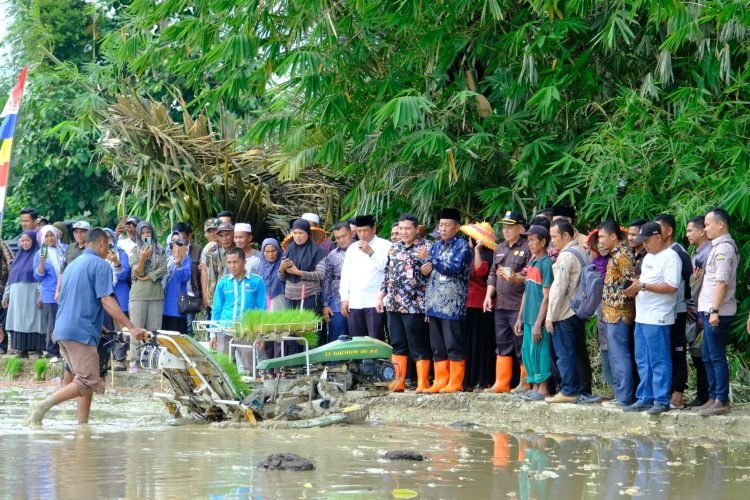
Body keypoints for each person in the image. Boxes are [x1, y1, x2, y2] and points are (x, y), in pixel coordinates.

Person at [25, 228, 148, 428]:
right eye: (107, 246)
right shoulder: (101, 265)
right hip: (79, 332)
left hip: (64, 330)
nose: (107, 250)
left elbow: (72, 298)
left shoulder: (73, 265)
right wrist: (131, 328)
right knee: (89, 381)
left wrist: (98, 326)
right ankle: (42, 406)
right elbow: (106, 300)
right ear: (101, 244)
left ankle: (83, 426)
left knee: (84, 380)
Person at [622, 222, 680, 415]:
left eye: (646, 241)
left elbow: (672, 286)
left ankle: (661, 399)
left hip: (658, 317)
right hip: (642, 316)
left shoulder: (671, 257)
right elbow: (642, 284)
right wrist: (634, 289)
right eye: (642, 241)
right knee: (643, 359)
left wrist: (643, 286)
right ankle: (645, 397)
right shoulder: (647, 258)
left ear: (658, 237)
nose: (644, 245)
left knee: (659, 359)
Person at [376, 213, 431, 392]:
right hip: (393, 304)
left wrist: (425, 263)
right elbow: (387, 274)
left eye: (407, 228)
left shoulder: (426, 247)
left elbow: (432, 277)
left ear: (416, 229)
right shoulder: (394, 248)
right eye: (401, 228)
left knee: (417, 344)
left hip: (415, 305)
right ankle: (398, 381)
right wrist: (380, 296)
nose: (404, 232)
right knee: (397, 343)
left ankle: (423, 382)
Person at [421, 208, 472, 393]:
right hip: (434, 303)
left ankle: (456, 382)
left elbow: (454, 268)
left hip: (453, 304)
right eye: (440, 225)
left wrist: (432, 261)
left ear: (457, 227)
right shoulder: (435, 246)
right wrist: (424, 270)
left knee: (453, 344)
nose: (442, 229)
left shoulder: (463, 246)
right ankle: (440, 381)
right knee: (437, 346)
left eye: (446, 225)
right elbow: (428, 273)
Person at [696, 208, 739, 416]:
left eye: (707, 224)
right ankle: (713, 397)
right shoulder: (716, 247)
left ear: (720, 224)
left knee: (716, 356)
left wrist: (713, 311)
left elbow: (721, 283)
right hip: (709, 310)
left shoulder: (724, 249)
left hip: (718, 312)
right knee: (707, 356)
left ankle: (721, 400)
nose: (705, 229)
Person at [483, 211, 530, 393]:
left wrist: (515, 278)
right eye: (504, 227)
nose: (506, 230)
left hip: (518, 305)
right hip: (500, 305)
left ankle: (525, 383)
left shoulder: (527, 247)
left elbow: (528, 275)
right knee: (502, 343)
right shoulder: (500, 248)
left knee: (520, 343)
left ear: (521, 228)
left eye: (510, 227)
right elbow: (493, 274)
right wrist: (488, 295)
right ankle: (501, 383)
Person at [653, 213, 693, 410]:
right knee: (664, 351)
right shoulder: (657, 253)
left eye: (658, 229)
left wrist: (691, 305)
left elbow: (691, 282)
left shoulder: (679, 253)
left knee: (678, 350)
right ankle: (665, 391)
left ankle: (678, 394)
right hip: (660, 311)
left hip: (677, 309)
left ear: (669, 231)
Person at [544, 219, 586, 404]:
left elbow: (558, 288)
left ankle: (568, 390)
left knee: (564, 353)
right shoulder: (582, 252)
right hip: (578, 310)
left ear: (566, 235)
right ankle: (577, 389)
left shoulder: (566, 256)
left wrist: (550, 315)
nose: (552, 240)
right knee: (575, 351)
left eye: (554, 236)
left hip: (565, 312)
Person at [598, 219, 637, 408]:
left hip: (620, 313)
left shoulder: (623, 255)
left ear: (613, 236)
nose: (600, 241)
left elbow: (631, 283)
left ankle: (624, 397)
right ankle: (621, 395)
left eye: (602, 237)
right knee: (615, 355)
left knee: (620, 355)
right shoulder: (615, 254)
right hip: (611, 313)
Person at [209, 247, 266, 371]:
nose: (232, 266)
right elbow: (217, 309)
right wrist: (213, 333)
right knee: (223, 368)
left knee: (249, 367)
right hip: (224, 330)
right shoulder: (222, 283)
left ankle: (251, 389)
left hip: (246, 331)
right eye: (229, 262)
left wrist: (261, 334)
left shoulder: (257, 281)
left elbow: (262, 309)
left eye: (235, 262)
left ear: (244, 262)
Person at [514, 225, 554, 400]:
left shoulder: (546, 264)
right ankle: (535, 387)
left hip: (539, 317)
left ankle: (543, 388)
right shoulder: (531, 262)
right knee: (528, 352)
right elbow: (526, 291)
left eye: (532, 240)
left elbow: (546, 297)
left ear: (543, 242)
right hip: (528, 316)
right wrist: (519, 317)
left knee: (540, 351)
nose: (529, 243)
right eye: (528, 240)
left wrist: (539, 322)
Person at [339, 215, 391, 340]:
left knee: (375, 339)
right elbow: (346, 275)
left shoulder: (386, 245)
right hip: (355, 301)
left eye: (365, 230)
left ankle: (377, 360)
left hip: (375, 301)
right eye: (358, 231)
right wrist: (344, 298)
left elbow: (388, 269)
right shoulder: (352, 248)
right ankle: (359, 361)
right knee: (357, 340)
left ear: (374, 229)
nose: (361, 234)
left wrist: (371, 252)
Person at [460, 221, 497, 391]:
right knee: (471, 344)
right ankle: (471, 379)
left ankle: (482, 380)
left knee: (481, 344)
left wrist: (476, 251)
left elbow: (479, 272)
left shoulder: (488, 255)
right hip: (471, 303)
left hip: (480, 303)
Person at [128, 221, 167, 372]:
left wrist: (150, 276)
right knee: (136, 329)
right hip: (138, 295)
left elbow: (164, 268)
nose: (146, 235)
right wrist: (143, 257)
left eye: (148, 232)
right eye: (143, 233)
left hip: (156, 294)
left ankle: (153, 360)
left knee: (154, 330)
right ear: (138, 235)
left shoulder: (161, 250)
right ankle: (134, 361)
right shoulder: (133, 251)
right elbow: (137, 272)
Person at [2, 231, 43, 358]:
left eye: (27, 240)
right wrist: (6, 295)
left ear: (33, 241)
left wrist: (41, 295)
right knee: (18, 320)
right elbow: (11, 278)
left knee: (33, 320)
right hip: (16, 296)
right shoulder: (18, 258)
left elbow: (41, 277)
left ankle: (34, 349)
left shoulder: (38, 256)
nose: (24, 243)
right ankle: (20, 349)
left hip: (31, 294)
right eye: (23, 241)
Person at [685, 215, 710, 407]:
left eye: (690, 230)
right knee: (698, 353)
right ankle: (703, 394)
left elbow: (700, 284)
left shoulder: (707, 253)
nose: (687, 235)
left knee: (704, 355)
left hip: (702, 311)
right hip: (695, 309)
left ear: (702, 231)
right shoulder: (698, 252)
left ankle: (706, 395)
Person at [33, 225, 66, 362]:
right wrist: (41, 262)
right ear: (42, 238)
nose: (50, 238)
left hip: (66, 291)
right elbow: (38, 276)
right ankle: (52, 352)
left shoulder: (64, 249)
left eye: (51, 235)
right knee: (52, 323)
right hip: (50, 293)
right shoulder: (40, 253)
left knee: (66, 321)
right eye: (46, 236)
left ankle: (67, 351)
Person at [102, 228, 131, 371]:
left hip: (120, 293)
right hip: (104, 297)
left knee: (121, 327)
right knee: (106, 328)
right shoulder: (98, 256)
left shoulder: (122, 253)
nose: (108, 240)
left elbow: (124, 275)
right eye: (104, 238)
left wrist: (116, 262)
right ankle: (105, 359)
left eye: (109, 237)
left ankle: (120, 358)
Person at [322, 222, 353, 343]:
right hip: (336, 301)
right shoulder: (332, 255)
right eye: (337, 237)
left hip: (360, 299)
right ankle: (335, 362)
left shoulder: (362, 249)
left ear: (351, 233)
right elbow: (326, 280)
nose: (341, 240)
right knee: (337, 335)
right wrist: (325, 304)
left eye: (344, 236)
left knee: (359, 335)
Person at [173, 222, 203, 337]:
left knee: (188, 329)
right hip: (174, 296)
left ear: (188, 236)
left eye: (183, 238)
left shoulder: (198, 250)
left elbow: (202, 273)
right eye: (177, 238)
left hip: (190, 295)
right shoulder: (169, 251)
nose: (180, 241)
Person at [161, 231, 192, 334]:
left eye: (179, 241)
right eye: (173, 241)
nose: (175, 243)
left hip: (176, 305)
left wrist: (178, 264)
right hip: (162, 304)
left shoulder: (186, 258)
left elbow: (185, 277)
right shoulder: (163, 258)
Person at [202, 222, 234, 312]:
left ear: (233, 234)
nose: (225, 239)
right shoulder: (214, 254)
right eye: (221, 236)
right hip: (221, 297)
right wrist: (212, 303)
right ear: (218, 237)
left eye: (227, 234)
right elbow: (212, 279)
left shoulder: (239, 251)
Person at [259, 238, 286, 311]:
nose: (270, 254)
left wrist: (281, 269)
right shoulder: (260, 266)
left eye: (273, 251)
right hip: (264, 300)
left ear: (278, 250)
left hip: (281, 299)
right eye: (267, 251)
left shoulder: (284, 263)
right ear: (263, 252)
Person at [0, 240, 14, 354]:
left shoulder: (2, 245)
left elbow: (10, 265)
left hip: (2, 286)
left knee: (3, 319)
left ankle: (2, 346)